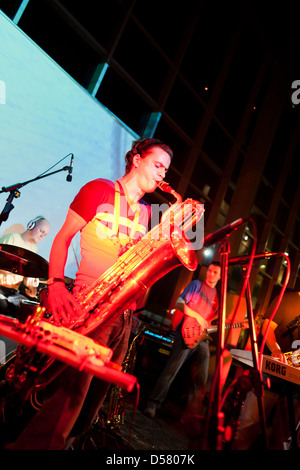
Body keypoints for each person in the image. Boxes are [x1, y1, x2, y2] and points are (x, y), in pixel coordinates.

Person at [5, 137, 173, 450]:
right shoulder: (100, 189)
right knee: (69, 400)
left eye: (166, 169)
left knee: (89, 410)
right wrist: (55, 284)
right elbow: (62, 238)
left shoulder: (148, 213)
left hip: (123, 316)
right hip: (90, 304)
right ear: (136, 159)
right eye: (157, 164)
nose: (162, 174)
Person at [144, 261, 221, 421]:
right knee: (171, 369)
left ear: (220, 276)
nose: (211, 274)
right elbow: (179, 303)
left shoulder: (218, 297)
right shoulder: (196, 285)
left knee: (201, 378)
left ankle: (191, 417)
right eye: (210, 270)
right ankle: (153, 403)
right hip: (186, 332)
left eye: (215, 272)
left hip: (203, 338)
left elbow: (212, 320)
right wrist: (198, 316)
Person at [232, 289, 300, 450]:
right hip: (272, 372)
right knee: (249, 425)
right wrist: (275, 349)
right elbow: (267, 328)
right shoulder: (286, 299)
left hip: (296, 383)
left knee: (283, 436)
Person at [0, 216, 50, 316]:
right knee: (3, 307)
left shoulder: (33, 249)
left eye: (44, 235)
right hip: (0, 288)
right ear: (31, 225)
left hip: (13, 292)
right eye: (41, 231)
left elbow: (25, 275)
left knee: (29, 311)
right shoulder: (12, 238)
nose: (41, 236)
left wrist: (31, 288)